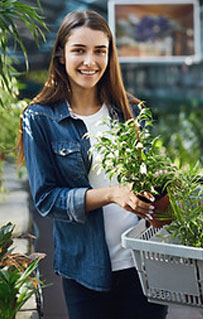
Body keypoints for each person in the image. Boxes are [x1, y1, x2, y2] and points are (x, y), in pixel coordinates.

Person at [17, 10, 168, 319]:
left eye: (100, 50)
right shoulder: (39, 119)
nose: (90, 61)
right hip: (85, 268)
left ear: (110, 55)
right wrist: (112, 194)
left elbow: (144, 181)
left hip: (144, 261)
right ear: (61, 54)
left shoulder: (130, 111)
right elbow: (46, 199)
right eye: (79, 50)